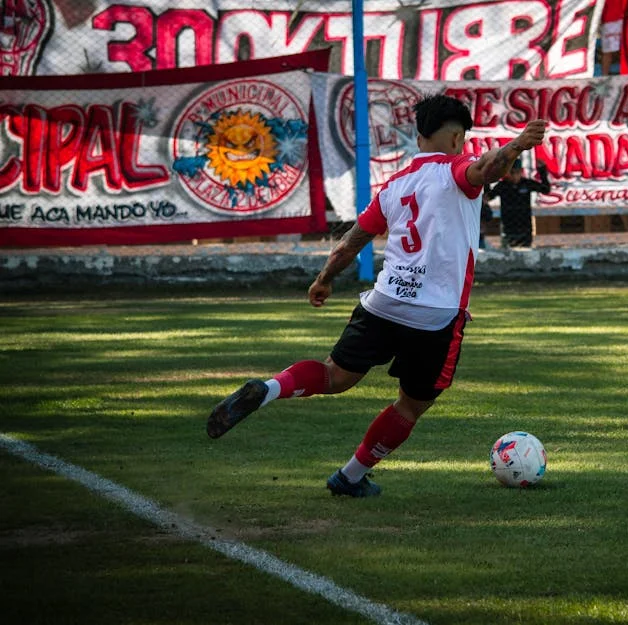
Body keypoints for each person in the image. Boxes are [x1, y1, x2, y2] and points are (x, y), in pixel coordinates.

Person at [207, 94, 548, 497]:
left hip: (383, 302)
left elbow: (351, 242)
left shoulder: (395, 186)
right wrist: (517, 145)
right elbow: (486, 168)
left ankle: (270, 389)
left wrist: (324, 279)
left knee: (335, 375)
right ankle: (350, 477)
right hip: (435, 317)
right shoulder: (456, 170)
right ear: (457, 138)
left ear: (419, 137)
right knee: (410, 406)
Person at [487, 159, 550, 248]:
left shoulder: (526, 184)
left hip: (525, 228)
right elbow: (488, 197)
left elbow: (546, 189)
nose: (514, 176)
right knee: (508, 254)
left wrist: (542, 171)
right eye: (511, 173)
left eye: (516, 173)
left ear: (521, 172)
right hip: (508, 229)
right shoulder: (503, 186)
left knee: (525, 252)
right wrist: (487, 179)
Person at [599, 0, 626, 76]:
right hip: (608, 19)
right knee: (607, 52)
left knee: (625, 51)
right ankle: (604, 76)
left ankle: (627, 75)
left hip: (623, 17)